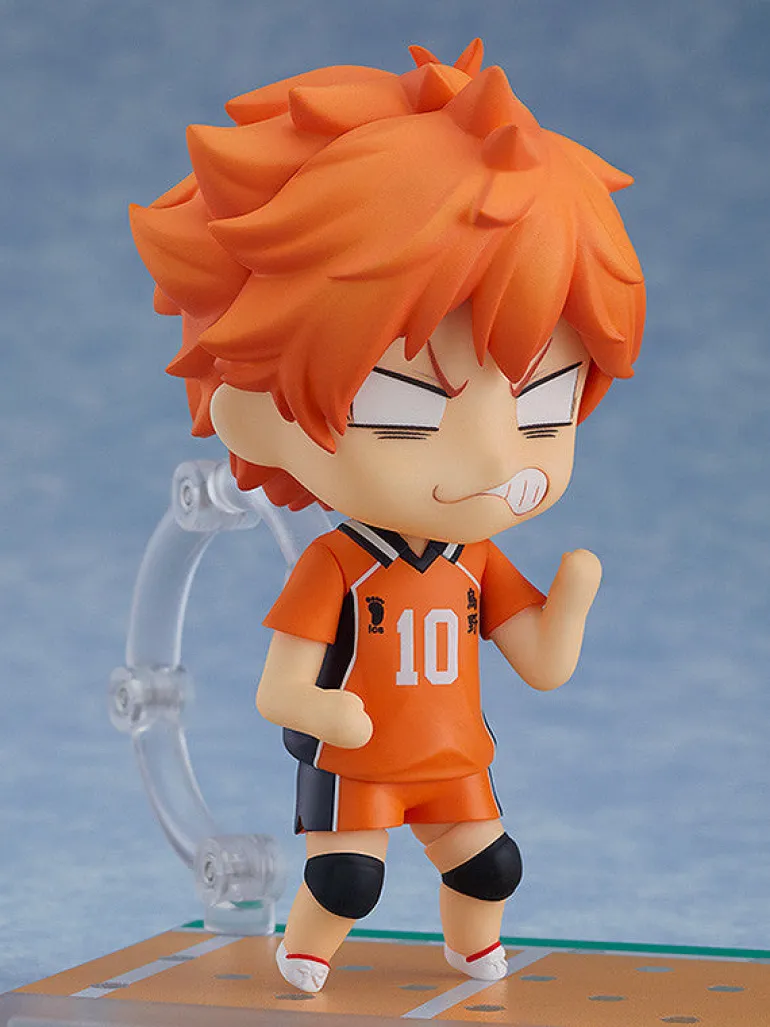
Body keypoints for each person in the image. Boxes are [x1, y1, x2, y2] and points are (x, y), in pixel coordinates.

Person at [130, 38, 645, 993]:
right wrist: (321, 707)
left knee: (491, 865)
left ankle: (473, 944)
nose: (494, 459)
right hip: (358, 762)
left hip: (454, 757)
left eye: (542, 407)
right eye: (409, 407)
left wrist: (570, 603)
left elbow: (541, 661)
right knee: (347, 878)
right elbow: (279, 687)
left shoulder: (472, 558)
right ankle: (306, 949)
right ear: (258, 407)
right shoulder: (337, 563)